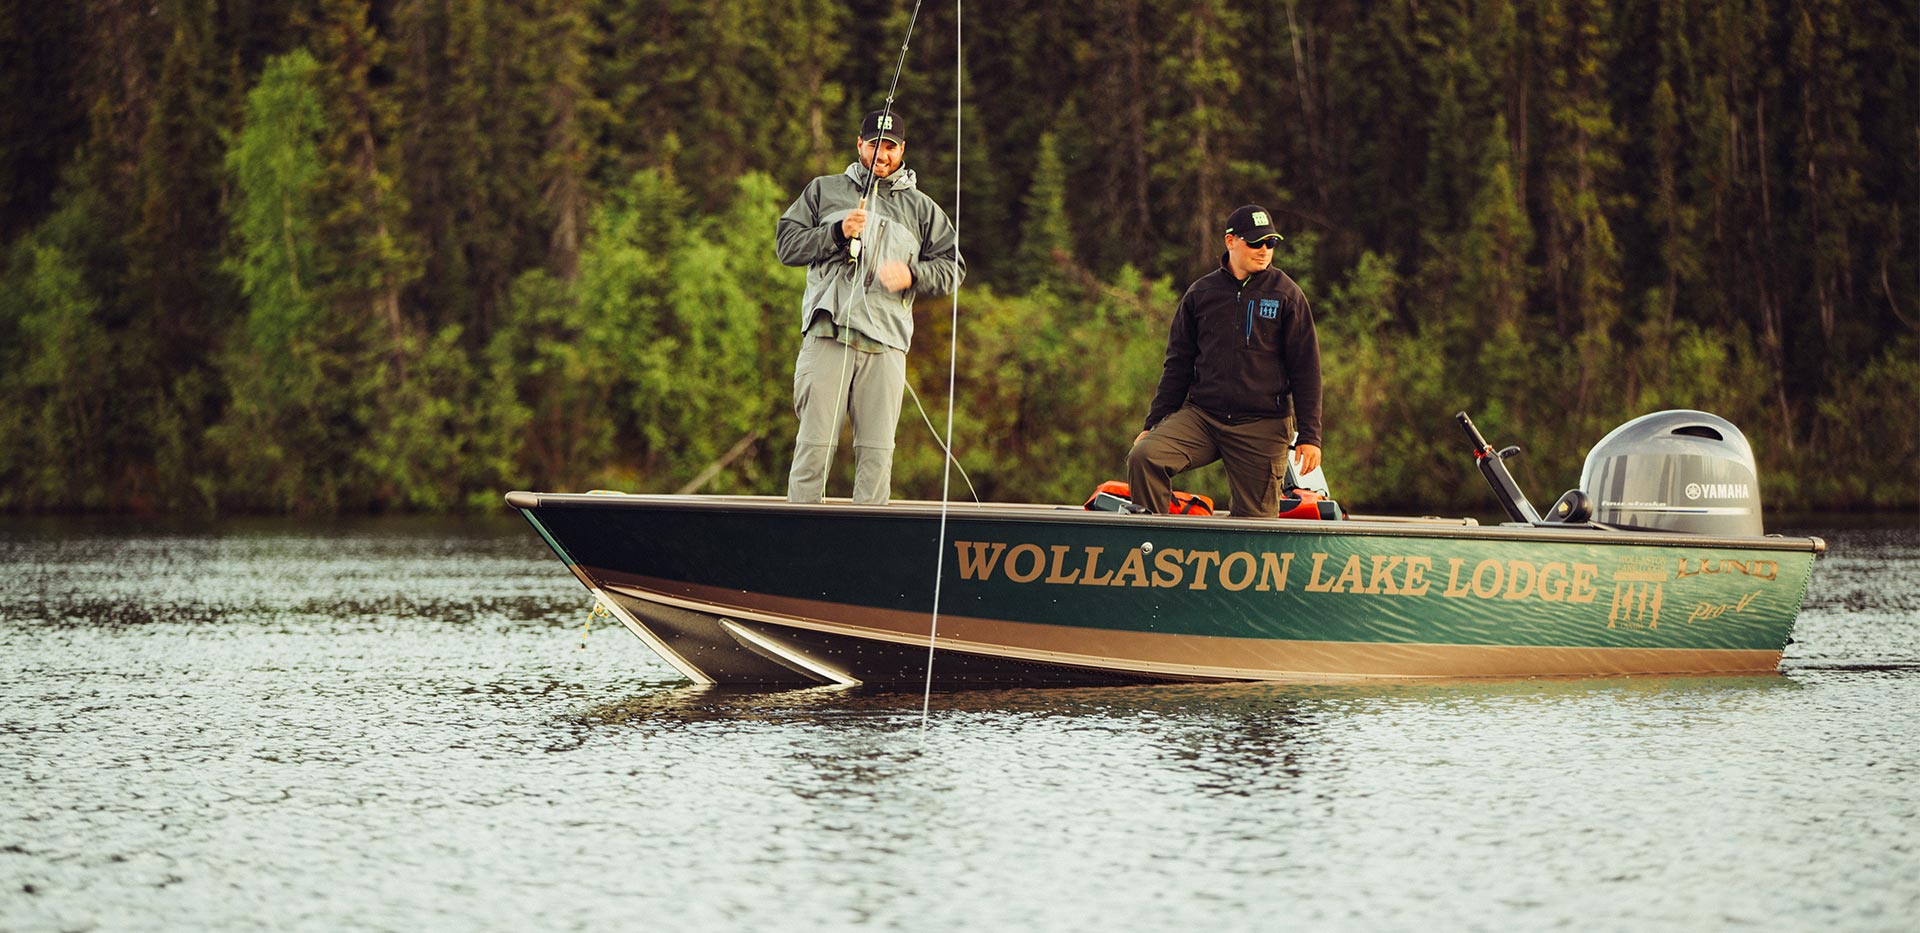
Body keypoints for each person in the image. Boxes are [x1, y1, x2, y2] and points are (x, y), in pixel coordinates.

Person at [775, 109, 965, 504]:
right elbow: (786, 246)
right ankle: (797, 542)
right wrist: (835, 233)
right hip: (828, 335)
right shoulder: (823, 191)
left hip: (886, 346)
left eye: (890, 147)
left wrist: (914, 274)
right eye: (875, 144)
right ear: (860, 144)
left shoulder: (923, 210)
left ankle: (866, 550)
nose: (882, 153)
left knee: (877, 457)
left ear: (902, 151)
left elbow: (953, 268)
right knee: (814, 449)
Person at [1126, 204, 1323, 517]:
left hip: (1262, 425)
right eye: (1256, 243)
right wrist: (1154, 423)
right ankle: (1155, 550)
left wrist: (1310, 436)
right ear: (1231, 241)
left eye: (1270, 243)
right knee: (1144, 456)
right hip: (1203, 417)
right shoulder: (1200, 294)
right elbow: (1177, 366)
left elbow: (1307, 372)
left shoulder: (1287, 295)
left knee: (1255, 527)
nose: (1264, 250)